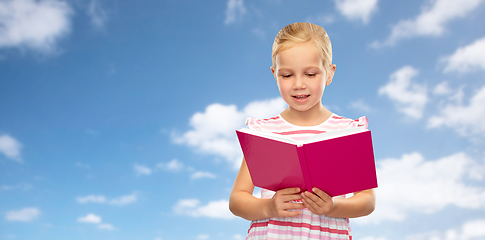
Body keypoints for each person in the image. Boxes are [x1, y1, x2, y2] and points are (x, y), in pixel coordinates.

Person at [229, 22, 376, 240]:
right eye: (287, 75)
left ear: (329, 73)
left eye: (310, 74)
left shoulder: (347, 132)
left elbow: (367, 200)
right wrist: (269, 207)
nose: (298, 84)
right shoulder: (264, 131)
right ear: (274, 74)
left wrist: (333, 207)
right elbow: (237, 200)